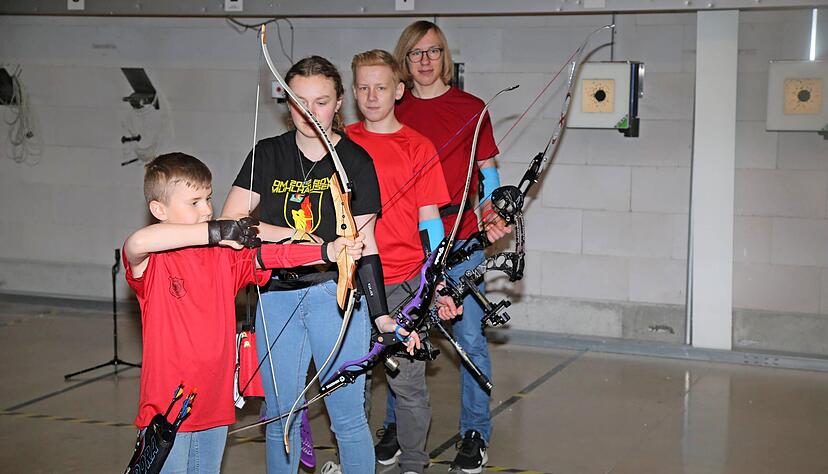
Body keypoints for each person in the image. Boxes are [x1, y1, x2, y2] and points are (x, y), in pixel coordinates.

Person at [221, 55, 416, 473]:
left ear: (338, 103)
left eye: (321, 101)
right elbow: (231, 226)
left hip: (337, 299)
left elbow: (366, 246)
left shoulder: (357, 161)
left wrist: (381, 315)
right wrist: (306, 240)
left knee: (347, 420)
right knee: (281, 420)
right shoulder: (268, 154)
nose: (310, 112)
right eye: (299, 101)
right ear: (286, 103)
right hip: (276, 296)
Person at [122, 152, 364, 473]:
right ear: (159, 209)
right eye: (194, 202)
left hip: (213, 403)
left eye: (208, 198)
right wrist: (219, 232)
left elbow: (271, 256)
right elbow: (137, 242)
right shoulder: (153, 262)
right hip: (166, 407)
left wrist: (328, 251)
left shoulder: (223, 257)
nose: (208, 209)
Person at [389, 20, 512, 473]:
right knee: (397, 339)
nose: (425, 61)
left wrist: (493, 211)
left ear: (446, 58)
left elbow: (488, 169)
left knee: (469, 340)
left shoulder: (472, 107)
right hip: (404, 245)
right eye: (416, 53)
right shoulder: (391, 112)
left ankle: (475, 431)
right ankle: (397, 428)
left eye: (434, 51)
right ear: (405, 59)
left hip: (459, 244)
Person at [346, 49, 461, 474]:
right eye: (363, 87)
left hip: (404, 283)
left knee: (408, 386)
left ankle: (414, 463)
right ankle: (356, 463)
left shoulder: (418, 146)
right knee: (351, 386)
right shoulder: (340, 143)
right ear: (353, 91)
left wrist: (439, 282)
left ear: (399, 90)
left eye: (381, 86)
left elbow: (430, 222)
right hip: (348, 284)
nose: (372, 95)